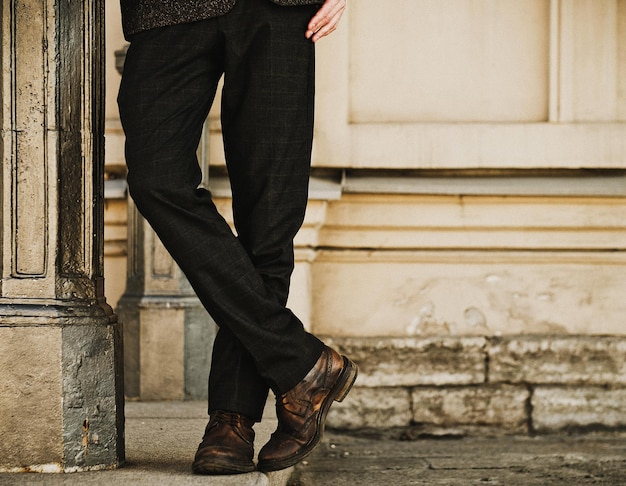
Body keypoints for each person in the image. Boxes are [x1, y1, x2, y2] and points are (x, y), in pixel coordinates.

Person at [117, 0, 357, 475]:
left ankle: (232, 419)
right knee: (156, 178)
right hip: (167, 9)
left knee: (268, 218)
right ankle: (300, 362)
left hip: (278, 9)